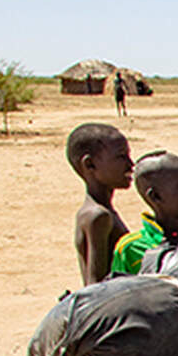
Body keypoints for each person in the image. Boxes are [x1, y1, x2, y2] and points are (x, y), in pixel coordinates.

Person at [67, 123, 136, 286]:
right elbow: (95, 286)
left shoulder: (99, 211)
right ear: (90, 165)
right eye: (121, 156)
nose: (131, 164)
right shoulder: (98, 216)